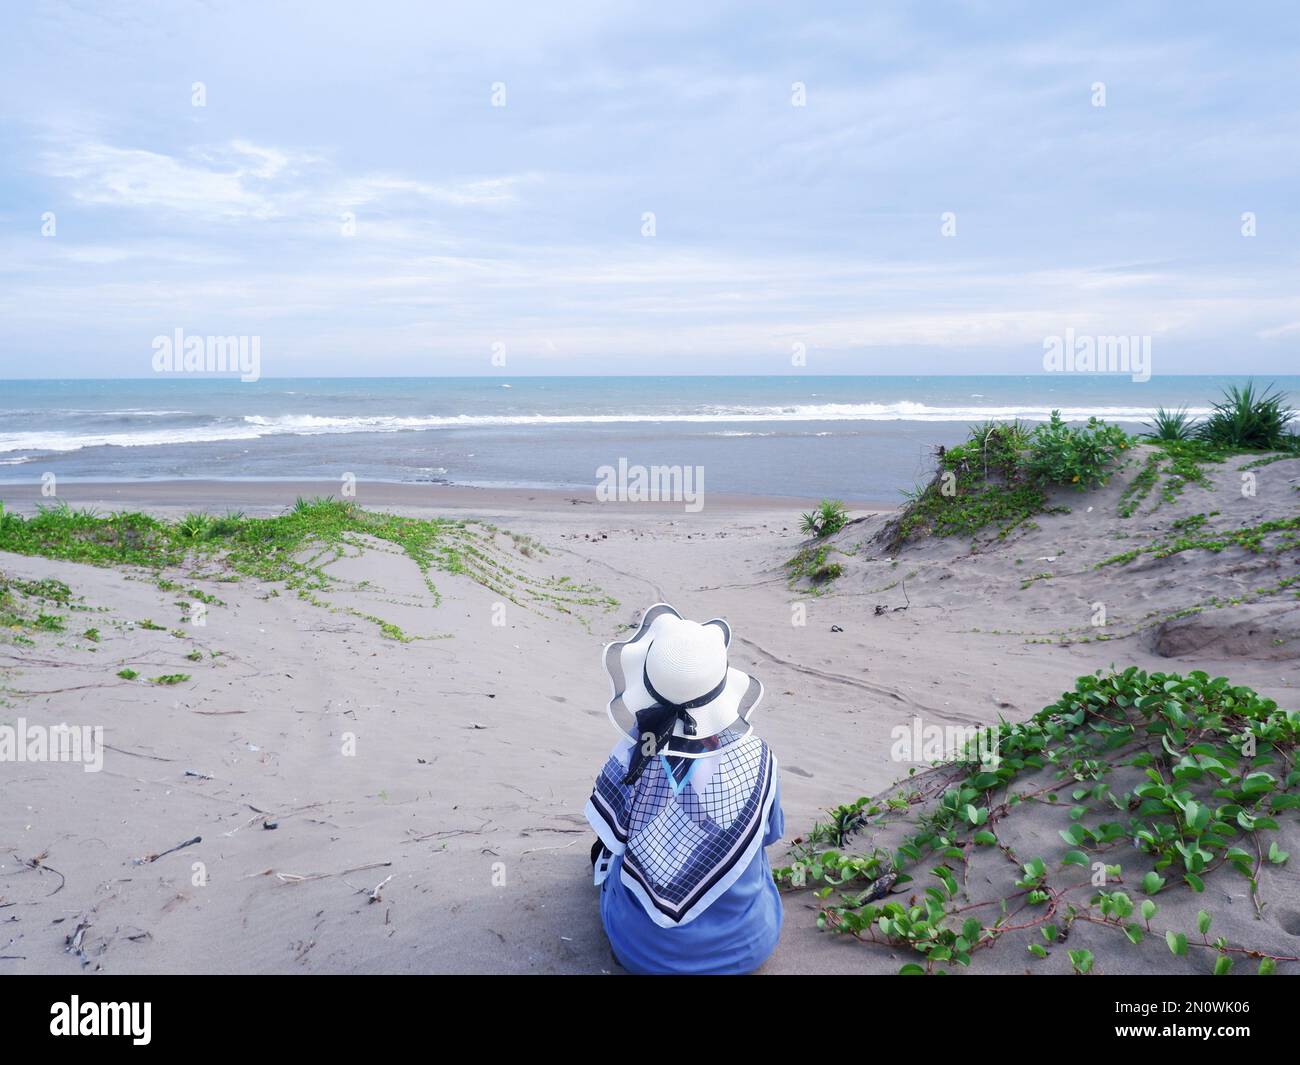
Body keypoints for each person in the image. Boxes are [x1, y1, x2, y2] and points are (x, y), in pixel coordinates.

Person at [584, 602, 784, 974]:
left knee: (611, 858)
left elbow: (611, 838)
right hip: (747, 948)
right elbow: (771, 835)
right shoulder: (760, 757)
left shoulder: (634, 754)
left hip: (641, 953)